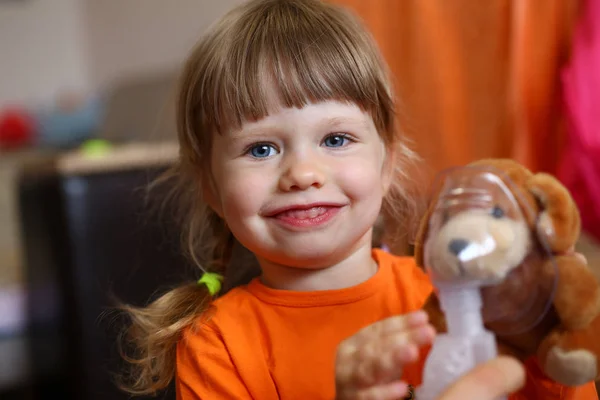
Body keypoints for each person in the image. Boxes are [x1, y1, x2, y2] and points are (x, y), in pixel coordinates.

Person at [117, 0, 599, 399]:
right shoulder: (215, 345)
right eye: (261, 148)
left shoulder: (451, 295)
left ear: (388, 164)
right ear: (211, 188)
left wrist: (544, 324)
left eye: (335, 140)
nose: (303, 174)